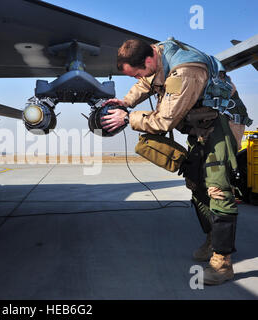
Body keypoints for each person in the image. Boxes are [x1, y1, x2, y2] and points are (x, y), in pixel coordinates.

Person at [102, 38, 241, 285]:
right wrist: (126, 102)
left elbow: (164, 121)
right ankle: (212, 239)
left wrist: (128, 118)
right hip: (199, 123)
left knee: (218, 188)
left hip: (221, 122)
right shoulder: (156, 52)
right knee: (195, 182)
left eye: (136, 73)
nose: (137, 79)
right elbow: (146, 81)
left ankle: (222, 263)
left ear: (148, 60)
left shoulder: (186, 72)